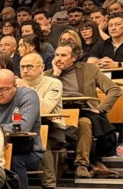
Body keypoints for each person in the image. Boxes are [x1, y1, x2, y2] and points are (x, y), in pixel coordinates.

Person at [50, 43, 122, 178]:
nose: (58, 59)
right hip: (58, 115)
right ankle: (89, 164)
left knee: (85, 122)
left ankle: (81, 164)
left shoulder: (89, 69)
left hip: (85, 111)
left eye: (63, 55)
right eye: (56, 55)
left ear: (74, 57)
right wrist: (55, 75)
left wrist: (101, 109)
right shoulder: (48, 75)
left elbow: (115, 90)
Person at [0, 69, 43, 189]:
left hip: (27, 151)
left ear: (15, 86)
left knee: (14, 160)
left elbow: (23, 126)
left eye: (4, 89)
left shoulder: (28, 95)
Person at [20, 53, 64, 189]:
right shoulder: (15, 85)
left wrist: (27, 90)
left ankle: (50, 187)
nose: (25, 70)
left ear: (42, 68)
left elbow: (45, 109)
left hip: (52, 128)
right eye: (22, 67)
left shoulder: (53, 83)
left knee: (41, 141)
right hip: (23, 128)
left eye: (29, 66)